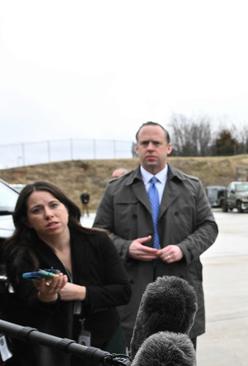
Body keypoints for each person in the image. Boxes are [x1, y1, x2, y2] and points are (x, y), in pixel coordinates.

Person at [93, 121, 217, 349]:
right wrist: (126, 247)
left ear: (168, 148)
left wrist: (183, 248)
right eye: (144, 143)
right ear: (137, 148)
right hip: (133, 295)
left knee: (179, 357)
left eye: (156, 143)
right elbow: (100, 233)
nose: (150, 148)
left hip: (180, 290)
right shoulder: (116, 189)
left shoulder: (191, 187)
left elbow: (209, 227)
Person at [1, 181, 131, 366]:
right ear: (26, 220)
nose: (49, 214)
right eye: (37, 210)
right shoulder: (20, 253)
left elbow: (123, 291)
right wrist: (47, 297)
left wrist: (80, 292)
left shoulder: (98, 240)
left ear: (66, 207)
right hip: (49, 350)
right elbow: (23, 314)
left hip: (101, 343)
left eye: (54, 205)